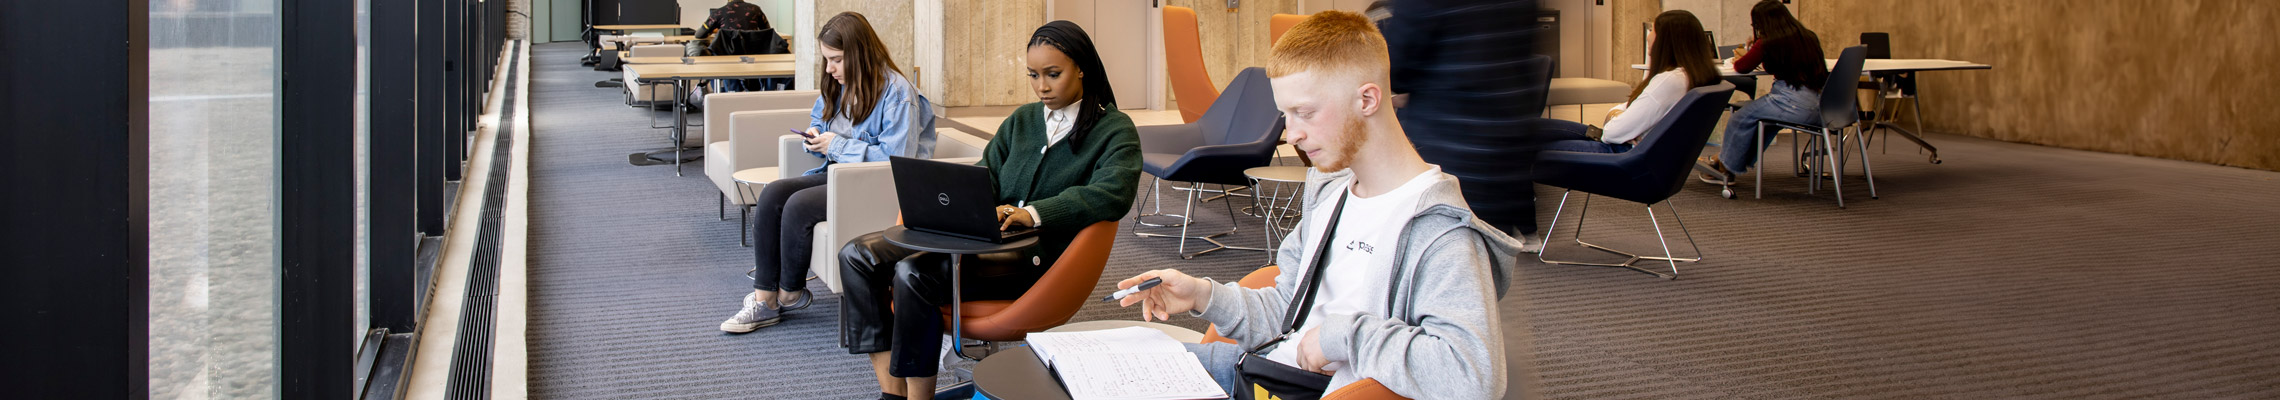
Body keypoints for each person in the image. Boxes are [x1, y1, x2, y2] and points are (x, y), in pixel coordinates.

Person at [1113, 11, 1521, 399]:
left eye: (1304, 113)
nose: (1291, 135)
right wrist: (1202, 295)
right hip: (1259, 372)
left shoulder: (1441, 232)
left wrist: (1339, 336)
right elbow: (1286, 314)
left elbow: (1473, 375)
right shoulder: (1331, 195)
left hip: (1302, 389)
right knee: (1093, 367)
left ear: (1367, 99)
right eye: (1285, 115)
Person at [832, 21, 1141, 400]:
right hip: (982, 237)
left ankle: (918, 398)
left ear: (1081, 69)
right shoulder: (1023, 121)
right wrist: (960, 206)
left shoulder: (1114, 129)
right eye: (1033, 75)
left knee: (913, 273)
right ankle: (892, 393)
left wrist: (1035, 213)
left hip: (1035, 259)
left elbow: (1113, 193)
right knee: (857, 255)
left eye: (1053, 74)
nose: (1041, 86)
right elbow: (986, 173)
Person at [718, 11, 936, 334]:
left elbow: (895, 161)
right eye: (826, 60)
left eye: (836, 60)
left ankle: (789, 294)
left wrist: (836, 145)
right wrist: (815, 136)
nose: (830, 69)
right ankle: (765, 300)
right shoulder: (839, 85)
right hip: (841, 176)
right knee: (772, 194)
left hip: (879, 186)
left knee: (797, 206)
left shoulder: (898, 94)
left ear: (860, 53)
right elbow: (819, 120)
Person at [1376, 0, 1546, 249]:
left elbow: (1397, 63)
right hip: (1508, 132)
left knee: (1445, 249)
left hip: (1450, 136)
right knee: (1487, 250)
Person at [1537, 10, 1721, 155]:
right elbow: (1624, 115)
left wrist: (1616, 118)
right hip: (1634, 149)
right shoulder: (1690, 76)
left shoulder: (1668, 82)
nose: (1648, 37)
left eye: (1653, 31)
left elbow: (1612, 133)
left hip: (1622, 154)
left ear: (1666, 41)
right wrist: (1617, 116)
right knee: (1530, 127)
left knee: (1528, 145)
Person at [1701, 0, 1827, 181]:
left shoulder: (1768, 42)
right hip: (1821, 105)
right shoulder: (1808, 36)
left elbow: (1742, 67)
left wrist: (1752, 47)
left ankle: (1724, 169)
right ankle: (1727, 161)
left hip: (1790, 101)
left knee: (1740, 118)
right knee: (1767, 123)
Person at [695, 0, 773, 92]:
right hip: (752, 58)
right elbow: (767, 31)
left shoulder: (718, 13)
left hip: (727, 60)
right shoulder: (756, 10)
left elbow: (699, 35)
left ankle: (719, 90)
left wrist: (716, 31)